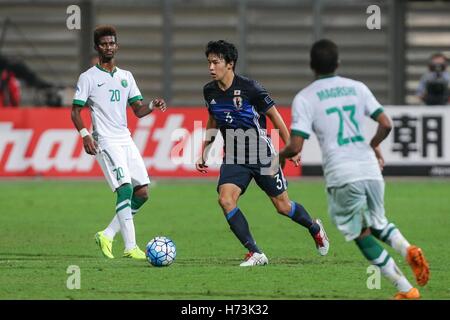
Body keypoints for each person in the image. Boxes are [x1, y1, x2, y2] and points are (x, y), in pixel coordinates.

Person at [278, 39, 430, 299]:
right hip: (369, 168)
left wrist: (280, 156)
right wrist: (373, 145)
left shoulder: (305, 97)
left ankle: (406, 290)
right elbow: (386, 123)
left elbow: (295, 145)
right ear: (338, 63)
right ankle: (407, 250)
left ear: (311, 66)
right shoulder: (357, 88)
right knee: (377, 221)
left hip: (342, 172)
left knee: (360, 233)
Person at [196, 40, 329, 267]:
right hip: (234, 156)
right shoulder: (209, 91)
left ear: (230, 64)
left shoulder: (251, 88)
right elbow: (213, 120)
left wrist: (292, 147)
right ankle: (255, 253)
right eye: (208, 62)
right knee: (226, 200)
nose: (210, 67)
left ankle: (315, 228)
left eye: (215, 62)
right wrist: (204, 151)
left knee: (283, 206)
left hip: (262, 153)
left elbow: (276, 118)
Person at [71, 25, 167, 260]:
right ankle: (131, 246)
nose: (108, 47)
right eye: (104, 44)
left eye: (112, 43)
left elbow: (138, 110)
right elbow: (75, 111)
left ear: (117, 46)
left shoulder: (126, 77)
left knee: (142, 192)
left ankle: (107, 234)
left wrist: (153, 106)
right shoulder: (88, 77)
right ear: (97, 47)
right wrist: (85, 134)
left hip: (125, 139)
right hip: (105, 140)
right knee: (124, 188)